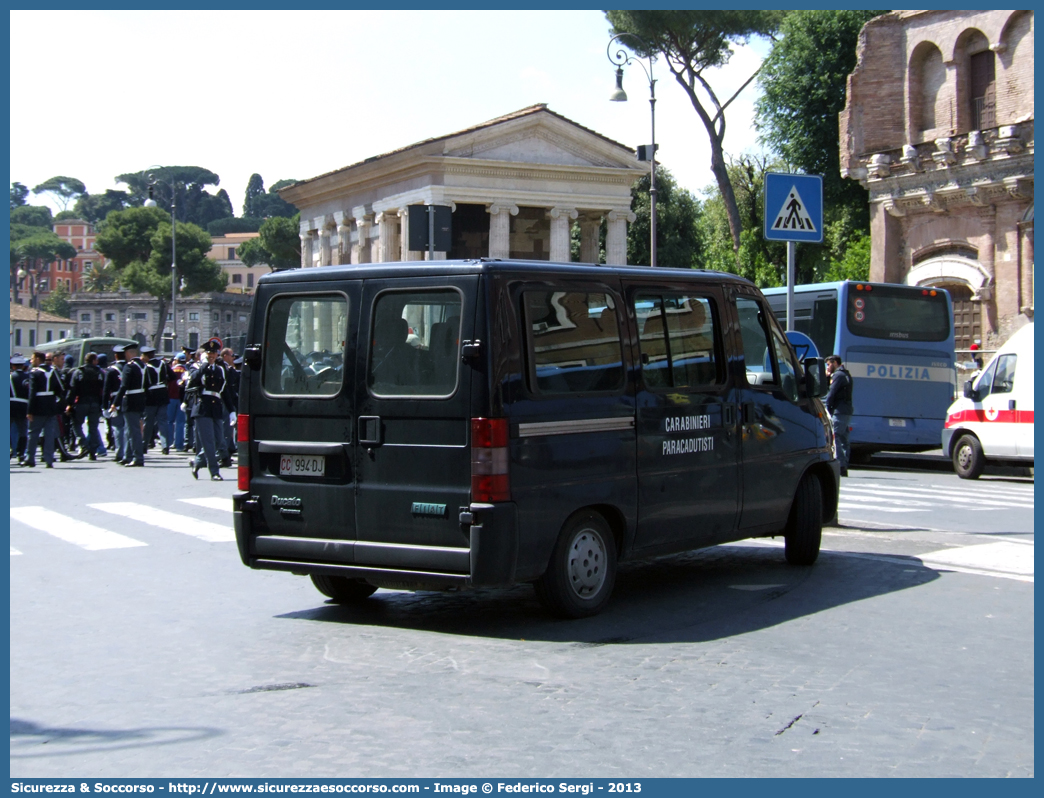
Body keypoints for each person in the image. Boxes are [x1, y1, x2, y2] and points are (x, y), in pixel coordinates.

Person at [188, 339, 234, 481]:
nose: (212, 355)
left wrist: (231, 410)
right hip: (203, 406)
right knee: (208, 441)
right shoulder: (197, 367)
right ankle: (214, 471)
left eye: (214, 353)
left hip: (216, 406)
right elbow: (192, 381)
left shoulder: (220, 369)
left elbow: (225, 391)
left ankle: (198, 462)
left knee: (219, 440)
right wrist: (204, 366)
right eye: (209, 353)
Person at [23, 351, 63, 468]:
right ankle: (49, 459)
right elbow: (60, 389)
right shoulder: (54, 371)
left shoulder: (35, 373)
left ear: (37, 359)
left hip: (38, 406)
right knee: (49, 434)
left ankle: (30, 458)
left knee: (33, 433)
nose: (31, 361)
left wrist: (29, 411)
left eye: (33, 358)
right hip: (51, 405)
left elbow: (32, 393)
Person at [110, 342, 146, 466]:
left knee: (133, 431)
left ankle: (137, 458)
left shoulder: (129, 366)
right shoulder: (143, 366)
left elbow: (123, 386)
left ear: (129, 353)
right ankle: (128, 455)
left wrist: (115, 403)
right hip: (140, 399)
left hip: (130, 400)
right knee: (129, 430)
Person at [68, 352, 107, 460]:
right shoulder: (99, 372)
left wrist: (69, 404)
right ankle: (93, 452)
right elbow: (103, 389)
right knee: (93, 428)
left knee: (76, 424)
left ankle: (84, 444)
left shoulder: (79, 372)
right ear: (94, 361)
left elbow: (73, 389)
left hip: (82, 402)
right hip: (95, 403)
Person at [824, 354, 854, 477]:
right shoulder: (846, 374)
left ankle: (841, 466)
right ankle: (845, 463)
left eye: (829, 364)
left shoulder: (838, 375)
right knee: (844, 439)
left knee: (836, 438)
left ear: (835, 363)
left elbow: (831, 393)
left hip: (839, 411)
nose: (828, 367)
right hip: (846, 411)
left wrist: (827, 409)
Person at [141, 345, 171, 454]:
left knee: (148, 422)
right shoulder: (163, 364)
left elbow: (144, 383)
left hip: (151, 395)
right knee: (162, 421)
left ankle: (144, 444)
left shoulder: (146, 367)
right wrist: (165, 380)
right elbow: (172, 376)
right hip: (163, 394)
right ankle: (165, 445)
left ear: (146, 356)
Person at [10, 355, 30, 462]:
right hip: (23, 406)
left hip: (10, 406)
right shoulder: (28, 377)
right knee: (23, 431)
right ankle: (21, 453)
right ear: (23, 366)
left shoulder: (9, 377)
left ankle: (9, 449)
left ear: (13, 366)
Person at [167, 352, 189, 451]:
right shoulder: (186, 371)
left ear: (176, 360)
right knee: (180, 422)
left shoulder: (171, 370)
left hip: (170, 398)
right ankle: (179, 444)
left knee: (169, 421)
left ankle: (168, 443)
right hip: (182, 399)